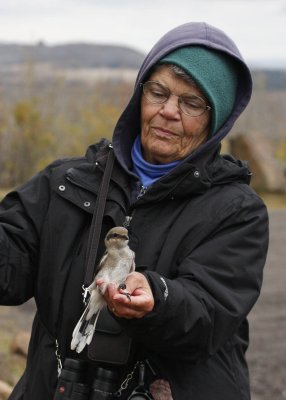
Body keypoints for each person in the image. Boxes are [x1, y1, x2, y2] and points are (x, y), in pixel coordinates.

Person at [0, 21, 268, 400]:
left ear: (216, 119)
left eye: (191, 102)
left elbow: (210, 313)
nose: (168, 111)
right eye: (158, 92)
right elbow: (8, 268)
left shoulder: (237, 211)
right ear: (140, 95)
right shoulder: (64, 182)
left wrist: (158, 298)